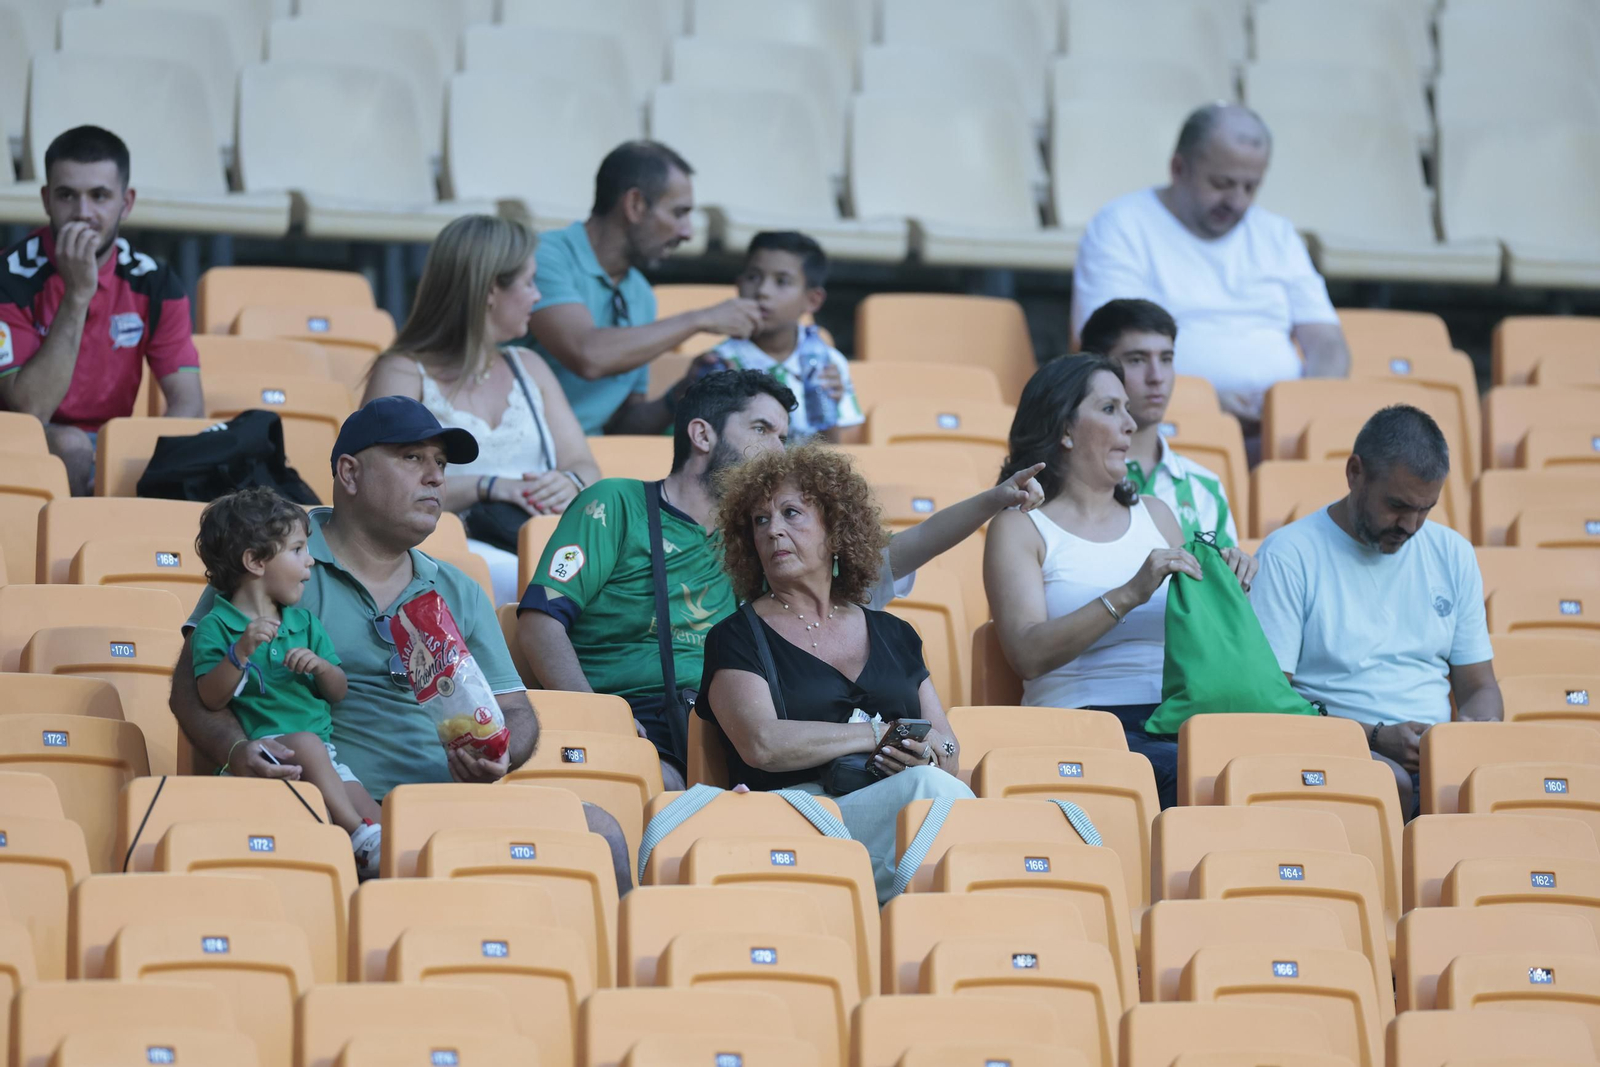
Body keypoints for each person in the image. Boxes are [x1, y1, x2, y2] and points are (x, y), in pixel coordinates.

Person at [167, 395, 632, 890]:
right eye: (413, 458)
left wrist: (500, 753)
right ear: (349, 473)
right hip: (331, 810)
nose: (435, 477)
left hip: (453, 807)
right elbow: (189, 693)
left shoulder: (459, 590)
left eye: (440, 464)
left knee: (601, 832)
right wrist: (237, 748)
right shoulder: (275, 563)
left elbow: (514, 711)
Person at [517, 369, 1043, 791]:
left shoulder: (764, 548)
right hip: (629, 712)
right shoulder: (617, 503)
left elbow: (896, 551)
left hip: (726, 717)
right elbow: (541, 622)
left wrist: (993, 501)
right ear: (702, 434)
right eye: (762, 430)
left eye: (785, 437)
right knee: (659, 789)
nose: (778, 450)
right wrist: (599, 717)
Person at [699, 444, 974, 901]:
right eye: (760, 521)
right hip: (797, 822)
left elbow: (948, 748)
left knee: (933, 786)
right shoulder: (736, 636)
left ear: (836, 529)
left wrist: (925, 753)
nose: (773, 531)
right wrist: (875, 735)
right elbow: (762, 744)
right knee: (933, 796)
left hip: (901, 813)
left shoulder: (896, 633)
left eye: (791, 513)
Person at [984, 355, 1257, 807]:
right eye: (1110, 409)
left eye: (1128, 409)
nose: (1131, 424)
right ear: (1065, 430)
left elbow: (1199, 636)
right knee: (1186, 777)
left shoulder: (1157, 514)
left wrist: (1228, 590)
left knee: (1264, 772)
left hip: (1178, 719)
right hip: (1080, 725)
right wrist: (1130, 594)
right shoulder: (1020, 526)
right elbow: (1027, 654)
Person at [1250, 405, 1502, 814]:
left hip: (1437, 760)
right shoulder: (1289, 555)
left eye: (1425, 509)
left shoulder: (1452, 553)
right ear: (1355, 473)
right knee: (1390, 782)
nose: (1411, 525)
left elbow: (1479, 687)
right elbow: (1269, 705)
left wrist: (1475, 733)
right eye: (1398, 505)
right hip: (1332, 756)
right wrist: (1373, 736)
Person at [1070, 103, 1349, 439]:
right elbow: (1106, 347)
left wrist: (1296, 408)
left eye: (1251, 187)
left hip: (1281, 432)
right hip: (1165, 427)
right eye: (1222, 183)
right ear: (1178, 168)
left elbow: (1329, 345)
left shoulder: (1279, 235)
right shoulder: (1120, 225)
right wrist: (1205, 402)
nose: (1238, 201)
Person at [363, 214, 601, 605]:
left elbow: (586, 466)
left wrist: (570, 482)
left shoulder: (530, 366)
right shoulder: (404, 371)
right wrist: (489, 488)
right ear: (491, 290)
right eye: (528, 282)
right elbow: (380, 490)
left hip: (536, 544)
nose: (537, 296)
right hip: (443, 552)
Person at [0, 125, 205, 495]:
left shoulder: (155, 282)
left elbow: (188, 404)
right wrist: (77, 294)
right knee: (72, 447)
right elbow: (31, 410)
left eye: (99, 196)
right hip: (19, 441)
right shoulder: (8, 277)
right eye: (67, 196)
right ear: (46, 200)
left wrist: (140, 464)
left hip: (111, 444)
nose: (83, 213)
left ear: (126, 202)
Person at [191, 487, 382, 866]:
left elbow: (338, 691)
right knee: (315, 756)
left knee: (382, 821)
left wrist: (322, 667)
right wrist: (239, 653)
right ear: (256, 562)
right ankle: (354, 833)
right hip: (264, 754)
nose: (310, 562)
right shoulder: (216, 627)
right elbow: (210, 697)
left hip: (323, 757)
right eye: (297, 550)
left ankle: (372, 847)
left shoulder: (305, 623)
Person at [526, 140, 766, 435]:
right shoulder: (542, 256)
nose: (688, 232)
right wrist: (700, 319)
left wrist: (683, 391)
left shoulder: (640, 294)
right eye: (679, 213)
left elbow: (622, 424)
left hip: (588, 464)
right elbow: (587, 356)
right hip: (520, 466)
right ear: (635, 205)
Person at [1080, 298, 1238, 547]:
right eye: (1137, 360)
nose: (1157, 377)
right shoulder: (1072, 477)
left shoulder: (1204, 486)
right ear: (1095, 368)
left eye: (1166, 359)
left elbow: (1225, 583)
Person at [690, 231, 864, 444]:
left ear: (813, 300)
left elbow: (833, 451)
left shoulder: (829, 364)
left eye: (782, 281)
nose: (762, 291)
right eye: (753, 277)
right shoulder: (721, 363)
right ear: (739, 285)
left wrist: (831, 409)